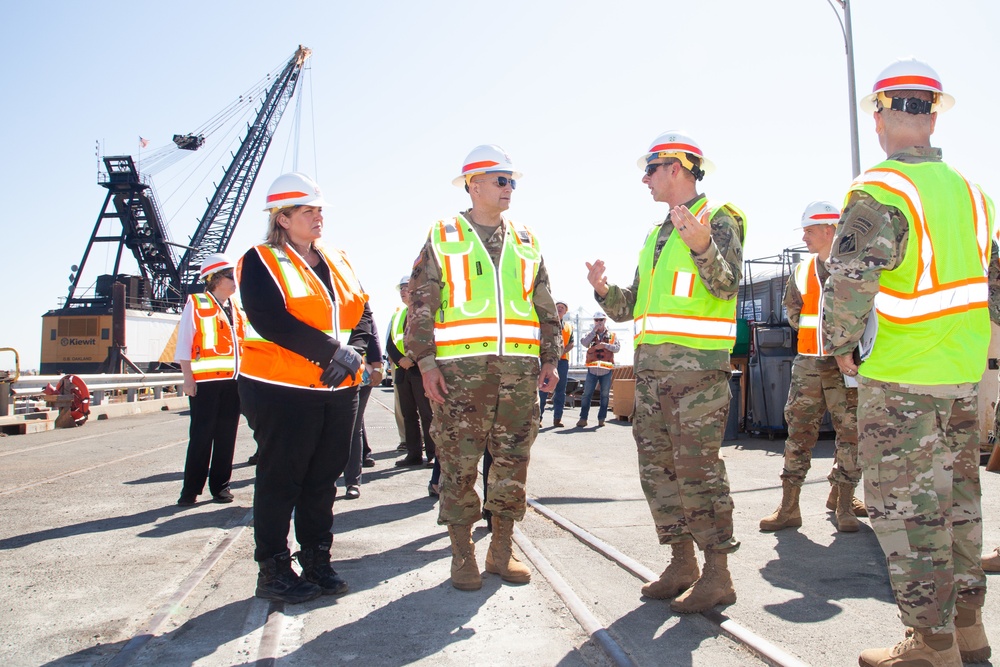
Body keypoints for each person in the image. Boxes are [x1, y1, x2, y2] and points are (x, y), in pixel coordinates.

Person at [822, 58, 993, 666]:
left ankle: (932, 647)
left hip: (902, 378)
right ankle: (969, 634)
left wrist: (837, 341)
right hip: (961, 376)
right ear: (931, 113)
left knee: (908, 515)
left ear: (881, 114)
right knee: (960, 507)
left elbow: (849, 277)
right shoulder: (975, 195)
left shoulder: (882, 189)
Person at [586, 130, 745, 614]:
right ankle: (681, 563)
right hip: (653, 377)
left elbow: (725, 284)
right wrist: (602, 289)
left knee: (699, 472)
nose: (645, 178)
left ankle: (718, 573)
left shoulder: (720, 218)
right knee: (658, 472)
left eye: (651, 169)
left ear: (677, 168)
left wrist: (701, 245)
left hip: (697, 375)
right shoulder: (655, 236)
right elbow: (631, 306)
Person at [406, 144, 561, 591]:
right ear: (473, 184)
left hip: (518, 371)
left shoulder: (527, 239)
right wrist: (426, 361)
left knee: (512, 462)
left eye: (512, 181)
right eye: (500, 180)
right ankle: (461, 554)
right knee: (458, 465)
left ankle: (501, 547)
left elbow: (544, 302)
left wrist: (549, 356)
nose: (509, 188)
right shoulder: (445, 234)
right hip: (460, 374)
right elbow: (422, 301)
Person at [237, 172, 373, 605]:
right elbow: (268, 318)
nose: (318, 218)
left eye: (319, 210)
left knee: (321, 480)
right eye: (308, 211)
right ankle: (273, 569)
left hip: (338, 391)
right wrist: (331, 352)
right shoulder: (261, 260)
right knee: (281, 480)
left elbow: (364, 312)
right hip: (281, 389)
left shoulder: (338, 257)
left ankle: (317, 559)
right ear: (282, 218)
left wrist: (354, 350)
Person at [759, 202, 864, 534]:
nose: (804, 237)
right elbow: (793, 306)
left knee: (851, 433)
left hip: (845, 365)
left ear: (829, 230)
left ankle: (843, 502)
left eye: (809, 230)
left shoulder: (855, 267)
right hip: (808, 364)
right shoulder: (802, 270)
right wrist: (812, 332)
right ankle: (789, 507)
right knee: (798, 433)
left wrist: (843, 344)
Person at [175, 253, 245, 506]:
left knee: (227, 436)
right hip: (205, 383)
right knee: (202, 436)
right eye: (230, 276)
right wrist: (188, 379)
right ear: (215, 279)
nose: (235, 281)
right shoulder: (196, 303)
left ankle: (221, 487)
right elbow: (184, 344)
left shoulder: (236, 308)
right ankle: (190, 490)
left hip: (233, 383)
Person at [386, 275, 436, 468]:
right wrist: (400, 360)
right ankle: (413, 454)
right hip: (402, 372)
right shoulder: (398, 314)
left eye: (406, 287)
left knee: (427, 413)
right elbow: (390, 342)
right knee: (408, 414)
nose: (403, 291)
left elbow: (430, 340)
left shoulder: (426, 312)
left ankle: (432, 454)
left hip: (419, 371)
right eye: (401, 289)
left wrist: (413, 360)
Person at [342, 320, 384, 499]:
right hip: (321, 373)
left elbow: (371, 335)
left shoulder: (358, 303)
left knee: (353, 427)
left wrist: (377, 367)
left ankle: (352, 482)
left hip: (357, 374)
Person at [576, 311, 620, 428]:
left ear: (605, 320)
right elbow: (584, 343)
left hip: (606, 370)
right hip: (592, 369)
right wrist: (593, 332)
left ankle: (601, 419)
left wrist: (604, 346)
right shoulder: (590, 334)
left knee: (604, 395)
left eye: (601, 320)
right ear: (594, 321)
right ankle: (583, 418)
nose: (599, 322)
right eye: (597, 320)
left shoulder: (612, 335)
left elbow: (617, 348)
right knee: (587, 394)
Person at [539, 300, 574, 427]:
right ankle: (539, 418)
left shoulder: (569, 327)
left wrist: (560, 353)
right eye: (557, 306)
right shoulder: (546, 323)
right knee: (543, 388)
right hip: (547, 360)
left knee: (561, 390)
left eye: (562, 307)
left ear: (565, 311)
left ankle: (557, 418)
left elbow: (571, 343)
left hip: (562, 361)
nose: (559, 308)